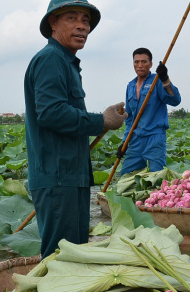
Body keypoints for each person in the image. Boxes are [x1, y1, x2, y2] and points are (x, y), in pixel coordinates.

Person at [24, 0, 127, 259]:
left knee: (75, 255)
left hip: (70, 176)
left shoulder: (65, 61)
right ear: (53, 23)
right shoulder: (50, 59)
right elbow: (50, 113)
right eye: (72, 18)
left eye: (86, 20)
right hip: (58, 177)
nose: (82, 26)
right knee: (61, 258)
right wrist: (102, 121)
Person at [117, 48, 181, 176]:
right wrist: (125, 141)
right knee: (125, 177)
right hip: (135, 139)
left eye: (144, 62)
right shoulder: (130, 86)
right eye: (136, 62)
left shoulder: (156, 82)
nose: (140, 65)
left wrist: (165, 79)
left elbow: (175, 100)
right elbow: (129, 118)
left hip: (154, 138)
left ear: (151, 64)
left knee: (156, 178)